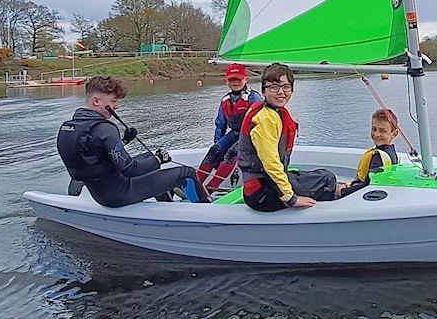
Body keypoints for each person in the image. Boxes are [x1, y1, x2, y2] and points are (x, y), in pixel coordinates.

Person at [56, 75, 210, 207]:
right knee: (187, 173)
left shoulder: (69, 127)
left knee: (147, 157)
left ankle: (167, 206)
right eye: (114, 101)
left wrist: (124, 141)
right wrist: (159, 159)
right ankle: (207, 211)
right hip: (120, 193)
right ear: (96, 101)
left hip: (101, 192)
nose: (116, 106)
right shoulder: (105, 129)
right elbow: (130, 169)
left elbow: (93, 155)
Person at [237, 63, 338, 212]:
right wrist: (291, 198)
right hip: (261, 194)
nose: (281, 92)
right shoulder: (265, 119)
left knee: (326, 177)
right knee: (326, 183)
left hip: (268, 183)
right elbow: (271, 164)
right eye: (274, 87)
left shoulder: (275, 113)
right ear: (263, 91)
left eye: (286, 87)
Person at [197, 63, 263, 192]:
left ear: (246, 79)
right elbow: (220, 124)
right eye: (232, 79)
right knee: (214, 150)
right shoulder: (225, 100)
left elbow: (261, 123)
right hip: (234, 133)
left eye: (238, 79)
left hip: (250, 135)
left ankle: (212, 187)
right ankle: (196, 184)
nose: (235, 82)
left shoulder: (253, 97)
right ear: (226, 80)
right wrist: (218, 147)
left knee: (232, 153)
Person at [336, 109, 400, 198]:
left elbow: (369, 184)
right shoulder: (390, 152)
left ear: (394, 134)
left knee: (325, 178)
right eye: (374, 129)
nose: (376, 134)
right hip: (355, 187)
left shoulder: (380, 157)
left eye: (382, 131)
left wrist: (342, 192)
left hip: (355, 194)